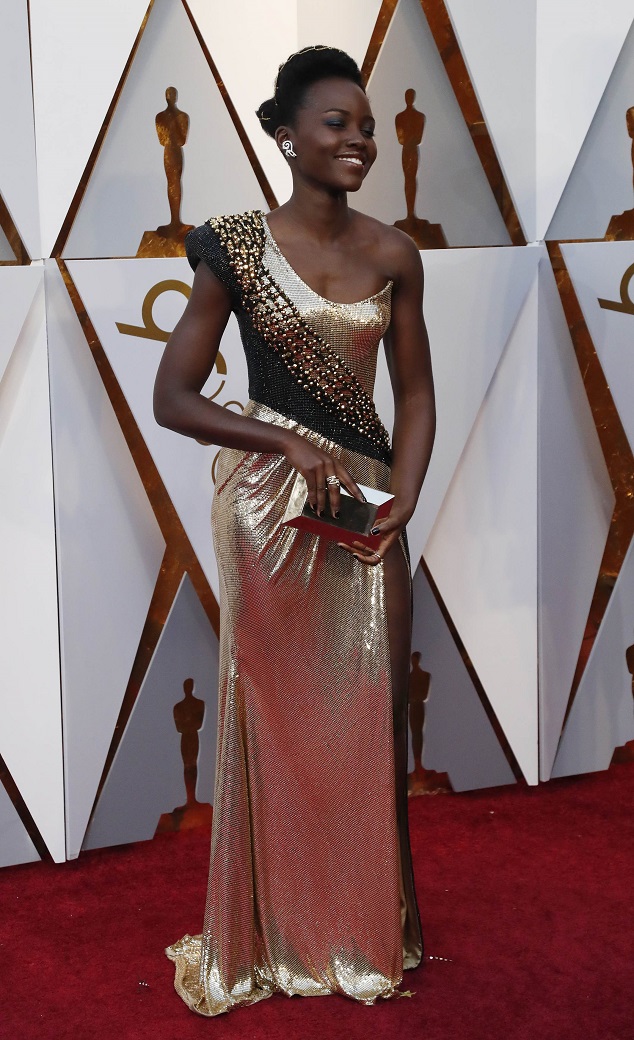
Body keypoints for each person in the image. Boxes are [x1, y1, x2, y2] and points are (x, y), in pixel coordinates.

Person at [153, 45, 436, 1017]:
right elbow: (174, 397)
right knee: (268, 721)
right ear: (284, 135)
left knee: (363, 715)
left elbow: (418, 391)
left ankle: (360, 930)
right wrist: (277, 436)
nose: (358, 139)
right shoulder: (231, 246)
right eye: (336, 123)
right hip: (266, 514)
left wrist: (402, 493)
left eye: (365, 126)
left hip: (360, 511)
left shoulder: (394, 254)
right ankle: (262, 937)